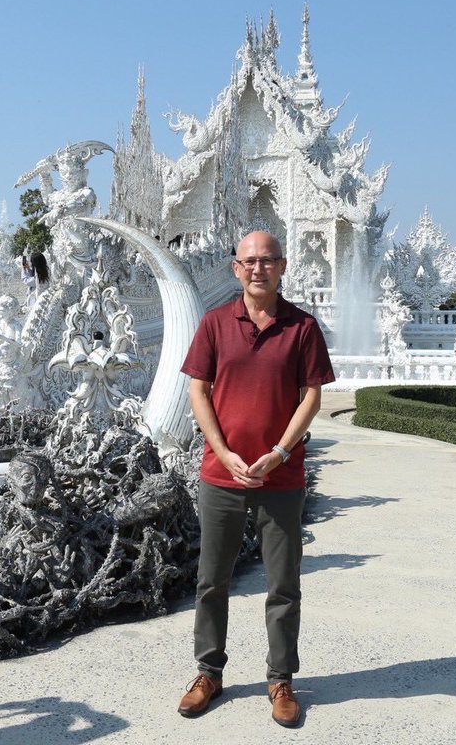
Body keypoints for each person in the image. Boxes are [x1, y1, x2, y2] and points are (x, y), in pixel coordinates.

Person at [177, 231, 335, 728]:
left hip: (281, 476)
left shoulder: (302, 327)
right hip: (219, 476)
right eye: (249, 261)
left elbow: (312, 396)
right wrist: (223, 452)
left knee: (283, 585)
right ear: (235, 268)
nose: (258, 268)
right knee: (211, 582)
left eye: (268, 260)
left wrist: (279, 451)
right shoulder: (214, 324)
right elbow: (198, 392)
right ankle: (209, 672)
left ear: (283, 266)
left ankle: (281, 679)